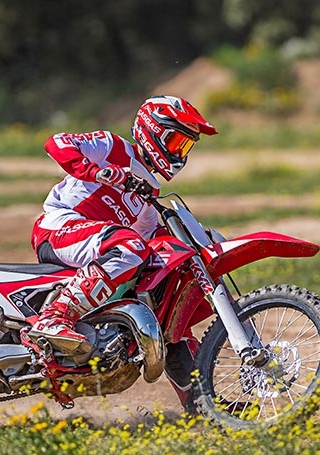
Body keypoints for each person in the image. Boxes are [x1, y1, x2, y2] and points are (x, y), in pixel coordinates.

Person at [26, 95, 217, 377]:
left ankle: (198, 395)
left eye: (185, 146)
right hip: (58, 227)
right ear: (152, 130)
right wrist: (97, 171)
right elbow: (57, 143)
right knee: (131, 248)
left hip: (93, 243)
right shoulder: (111, 146)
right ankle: (55, 317)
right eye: (176, 142)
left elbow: (151, 236)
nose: (179, 152)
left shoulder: (147, 192)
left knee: (158, 266)